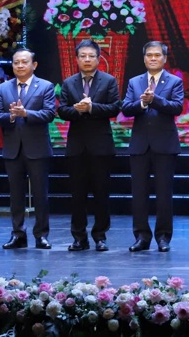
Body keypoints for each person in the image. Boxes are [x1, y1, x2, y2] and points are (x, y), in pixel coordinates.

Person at [57, 39, 121, 251]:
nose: (87, 59)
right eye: (83, 56)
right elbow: (62, 111)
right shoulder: (69, 83)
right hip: (77, 147)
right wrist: (78, 109)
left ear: (98, 59)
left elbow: (114, 108)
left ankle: (100, 237)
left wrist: (92, 108)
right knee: (77, 195)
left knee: (101, 194)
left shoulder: (109, 81)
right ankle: (79, 238)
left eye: (91, 56)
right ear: (76, 59)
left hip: (101, 147)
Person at [123, 41, 185, 252]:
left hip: (165, 145)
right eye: (149, 55)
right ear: (144, 58)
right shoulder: (135, 82)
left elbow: (177, 107)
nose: (153, 58)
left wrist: (154, 99)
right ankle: (141, 236)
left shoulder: (175, 81)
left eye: (157, 55)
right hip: (140, 145)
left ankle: (163, 237)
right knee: (139, 194)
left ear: (164, 58)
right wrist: (142, 103)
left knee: (164, 194)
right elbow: (126, 108)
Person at [0, 48, 56, 250]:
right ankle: (18, 234)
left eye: (24, 62)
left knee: (40, 194)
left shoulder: (45, 86)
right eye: (16, 62)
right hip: (13, 149)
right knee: (16, 195)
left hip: (37, 148)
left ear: (34, 65)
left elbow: (49, 114)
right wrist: (11, 116)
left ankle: (41, 235)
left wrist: (26, 113)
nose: (20, 65)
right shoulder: (4, 88)